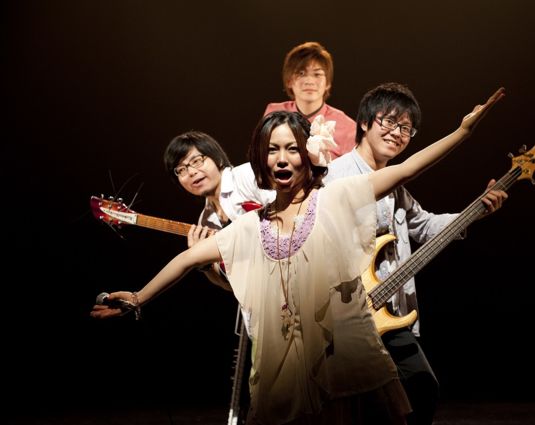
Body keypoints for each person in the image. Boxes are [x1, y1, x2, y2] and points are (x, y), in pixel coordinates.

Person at [91, 86, 505, 425]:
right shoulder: (252, 226)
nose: (282, 158)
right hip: (288, 362)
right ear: (261, 159)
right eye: (273, 150)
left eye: (292, 148)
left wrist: (463, 132)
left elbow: (408, 168)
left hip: (346, 352)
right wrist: (138, 297)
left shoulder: (335, 197)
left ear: (307, 154)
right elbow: (185, 260)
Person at [324, 82, 508, 425]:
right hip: (347, 314)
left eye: (406, 128)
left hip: (389, 311)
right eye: (389, 122)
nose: (397, 133)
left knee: (419, 390)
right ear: (364, 122)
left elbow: (424, 226)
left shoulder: (397, 189)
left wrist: (477, 209)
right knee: (374, 402)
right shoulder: (336, 176)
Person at [163, 130, 275, 289]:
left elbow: (290, 214)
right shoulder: (204, 222)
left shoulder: (247, 175)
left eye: (197, 161)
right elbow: (229, 286)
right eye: (181, 170)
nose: (191, 172)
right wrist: (203, 263)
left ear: (218, 159)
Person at [263, 41, 356, 159]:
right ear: (289, 81)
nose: (309, 81)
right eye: (301, 73)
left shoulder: (347, 127)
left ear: (327, 83)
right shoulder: (274, 113)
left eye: (317, 74)